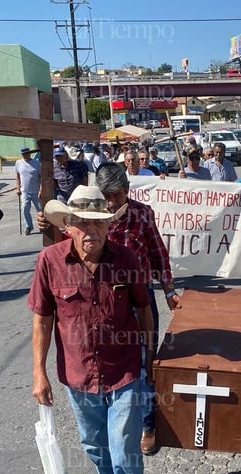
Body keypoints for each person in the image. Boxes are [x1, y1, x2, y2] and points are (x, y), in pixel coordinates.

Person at [29, 185, 154, 474]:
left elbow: (144, 309)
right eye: (83, 224)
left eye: (99, 225)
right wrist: (39, 373)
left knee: (122, 450)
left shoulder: (127, 259)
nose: (91, 232)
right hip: (79, 376)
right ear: (68, 225)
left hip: (125, 370)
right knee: (96, 448)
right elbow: (42, 321)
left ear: (109, 227)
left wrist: (152, 357)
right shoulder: (50, 261)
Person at [95, 162, 182, 455]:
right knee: (110, 361)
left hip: (141, 299)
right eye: (106, 196)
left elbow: (158, 254)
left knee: (146, 361)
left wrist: (169, 290)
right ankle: (117, 420)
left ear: (127, 191)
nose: (110, 203)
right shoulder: (91, 217)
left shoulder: (143, 215)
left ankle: (148, 424)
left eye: (116, 196)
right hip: (105, 303)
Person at [15, 147, 41, 235]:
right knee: (25, 209)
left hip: (36, 191)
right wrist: (18, 188)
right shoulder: (18, 163)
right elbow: (18, 176)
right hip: (25, 191)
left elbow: (41, 177)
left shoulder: (37, 163)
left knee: (40, 210)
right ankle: (29, 226)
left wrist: (41, 189)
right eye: (23, 154)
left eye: (27, 153)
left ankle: (42, 225)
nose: (25, 155)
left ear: (29, 153)